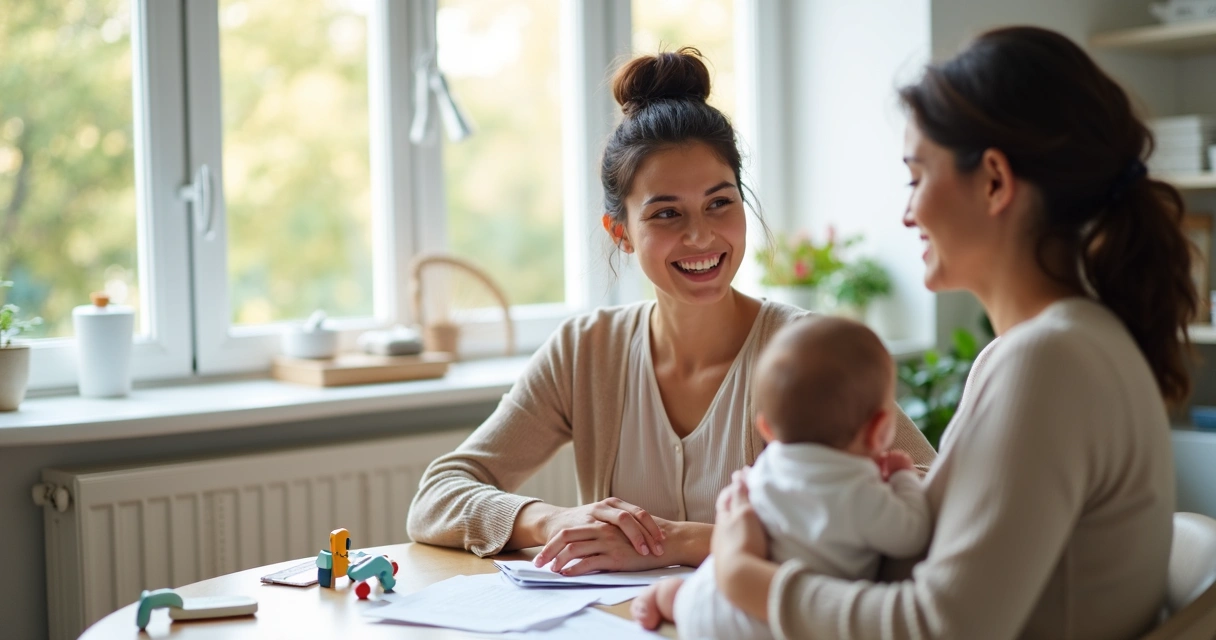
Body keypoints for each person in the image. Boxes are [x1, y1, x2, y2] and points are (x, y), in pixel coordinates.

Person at [634, 26, 1193, 639]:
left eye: (915, 178)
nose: (906, 212)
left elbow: (940, 625)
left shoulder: (1051, 359)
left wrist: (743, 576)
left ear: (995, 182)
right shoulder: (1037, 349)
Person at [405, 47, 936, 574]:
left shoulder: (812, 352)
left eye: (719, 203)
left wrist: (686, 541)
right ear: (622, 233)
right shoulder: (585, 350)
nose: (700, 234)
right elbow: (438, 495)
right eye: (666, 213)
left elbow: (933, 501)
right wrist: (550, 520)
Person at [644, 316, 930, 640]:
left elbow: (735, 501)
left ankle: (665, 598)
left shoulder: (765, 469)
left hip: (707, 606)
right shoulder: (861, 493)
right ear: (880, 430)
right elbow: (912, 534)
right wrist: (902, 478)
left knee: (684, 594)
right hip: (774, 622)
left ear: (766, 429)